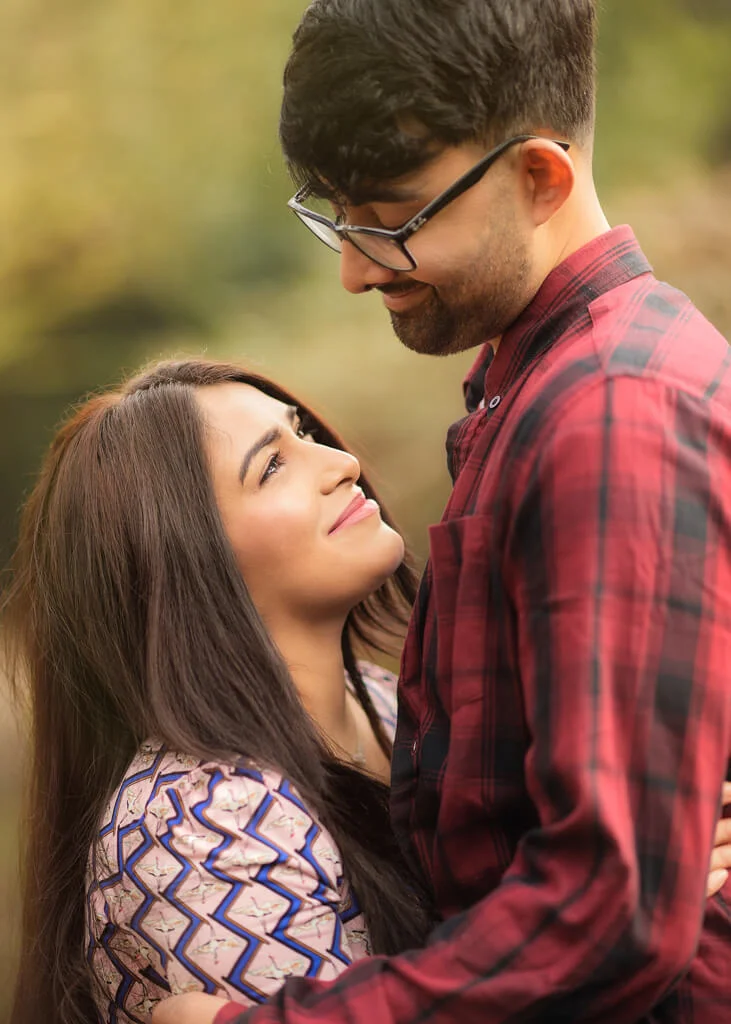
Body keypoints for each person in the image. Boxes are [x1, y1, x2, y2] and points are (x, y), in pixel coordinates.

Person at [155, 1, 731, 1022]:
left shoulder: (609, 416)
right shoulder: (550, 392)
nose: (354, 268)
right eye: (335, 214)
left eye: (391, 218)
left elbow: (608, 916)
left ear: (538, 177)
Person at [3, 358, 439, 1024]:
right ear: (186, 562)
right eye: (271, 468)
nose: (339, 463)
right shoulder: (206, 821)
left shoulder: (390, 703)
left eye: (304, 434)